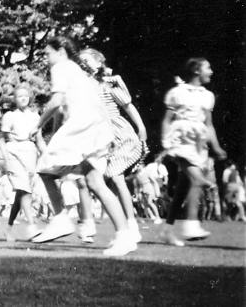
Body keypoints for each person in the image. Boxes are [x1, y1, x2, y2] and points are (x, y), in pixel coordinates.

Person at [33, 36, 136, 256]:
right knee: (95, 182)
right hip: (99, 129)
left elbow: (56, 101)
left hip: (83, 126)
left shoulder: (61, 67)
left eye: (48, 53)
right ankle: (125, 235)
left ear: (61, 51)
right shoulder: (78, 73)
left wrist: (37, 125)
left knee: (44, 169)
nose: (46, 58)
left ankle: (61, 219)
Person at [79, 48, 147, 242]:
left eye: (87, 60)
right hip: (97, 136)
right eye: (81, 61)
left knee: (116, 178)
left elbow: (128, 105)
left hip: (118, 134)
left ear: (98, 63)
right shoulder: (83, 86)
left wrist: (141, 127)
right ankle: (92, 223)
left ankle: (132, 226)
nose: (83, 63)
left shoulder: (108, 84)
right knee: (90, 180)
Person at [160, 58, 227, 245]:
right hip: (179, 140)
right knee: (197, 180)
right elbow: (167, 120)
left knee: (184, 187)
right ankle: (191, 225)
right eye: (208, 67)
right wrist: (166, 142)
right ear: (197, 70)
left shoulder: (208, 96)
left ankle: (167, 230)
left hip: (198, 143)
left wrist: (216, 147)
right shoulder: (177, 93)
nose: (211, 71)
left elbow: (209, 124)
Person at [0, 86, 44, 242]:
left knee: (22, 192)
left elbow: (39, 139)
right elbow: (2, 139)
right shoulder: (9, 116)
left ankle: (8, 228)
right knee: (24, 189)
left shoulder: (36, 117)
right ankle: (32, 225)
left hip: (30, 154)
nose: (23, 98)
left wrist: (47, 155)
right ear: (15, 99)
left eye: (26, 96)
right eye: (19, 96)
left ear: (30, 98)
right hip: (13, 153)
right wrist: (4, 157)